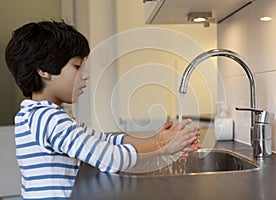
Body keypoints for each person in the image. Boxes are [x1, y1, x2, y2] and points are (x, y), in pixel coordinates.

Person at [5, 20, 201, 199]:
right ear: (43, 70)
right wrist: (163, 147)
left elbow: (104, 140)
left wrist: (153, 139)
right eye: (77, 66)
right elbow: (110, 158)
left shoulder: (45, 115)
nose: (86, 75)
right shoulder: (47, 118)